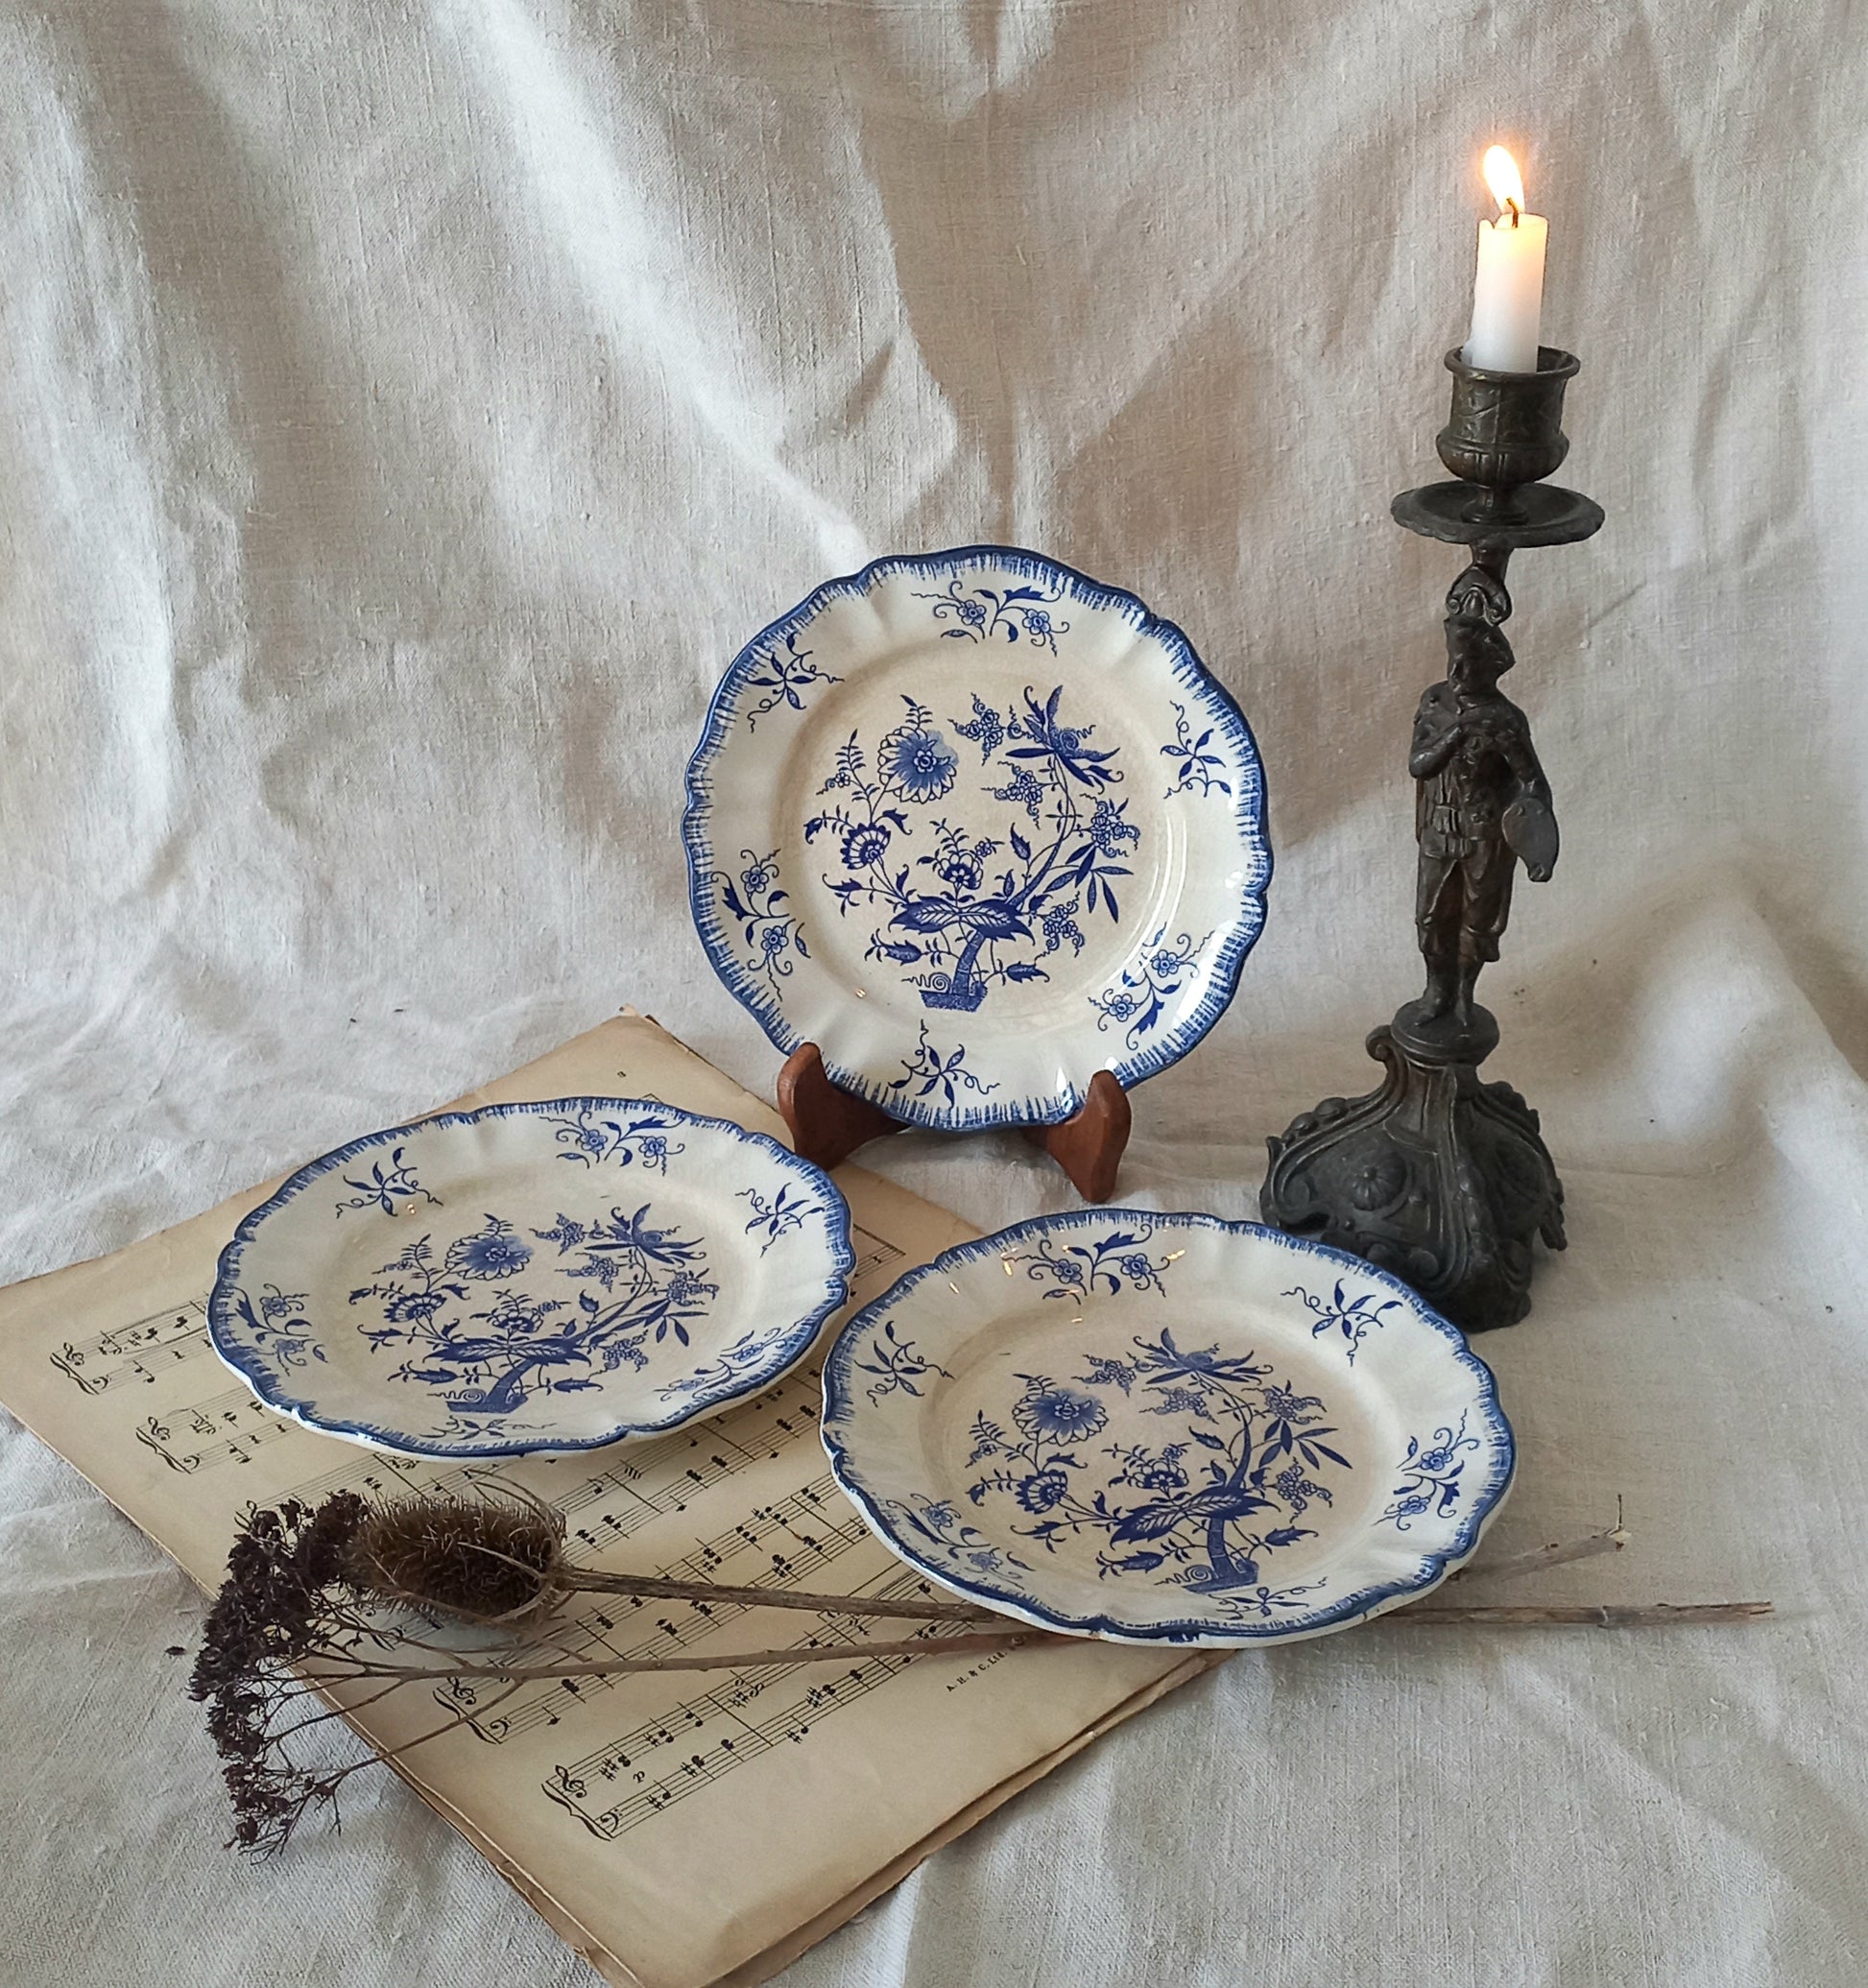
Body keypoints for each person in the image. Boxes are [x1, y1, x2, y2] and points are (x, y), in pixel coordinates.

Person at [1408, 609, 1558, 1026]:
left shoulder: (1504, 719)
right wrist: (1458, 732)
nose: (1456, 673)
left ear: (1490, 669)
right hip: (1439, 829)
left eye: (1468, 665)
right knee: (1431, 916)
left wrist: (1533, 837)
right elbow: (1418, 764)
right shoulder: (1435, 703)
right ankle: (1437, 989)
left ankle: (1463, 995)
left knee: (1478, 919)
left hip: (1483, 833)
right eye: (1453, 661)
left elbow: (1532, 783)